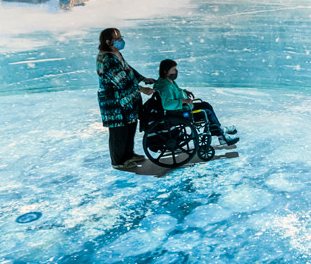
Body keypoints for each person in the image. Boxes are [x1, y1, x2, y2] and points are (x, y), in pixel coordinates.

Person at [96, 28, 155, 170]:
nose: (121, 41)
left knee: (130, 127)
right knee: (119, 132)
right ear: (108, 42)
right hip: (115, 103)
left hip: (127, 100)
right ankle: (119, 161)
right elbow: (121, 81)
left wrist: (143, 79)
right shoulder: (106, 59)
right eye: (117, 39)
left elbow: (129, 70)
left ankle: (128, 155)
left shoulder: (116, 54)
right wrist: (142, 89)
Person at [154, 59, 239, 146]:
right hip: (180, 113)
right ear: (165, 71)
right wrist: (184, 100)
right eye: (173, 69)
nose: (176, 71)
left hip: (183, 108)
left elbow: (174, 92)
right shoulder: (166, 86)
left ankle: (220, 129)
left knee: (206, 105)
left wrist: (184, 92)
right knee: (206, 112)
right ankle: (221, 135)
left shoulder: (168, 81)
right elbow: (167, 104)